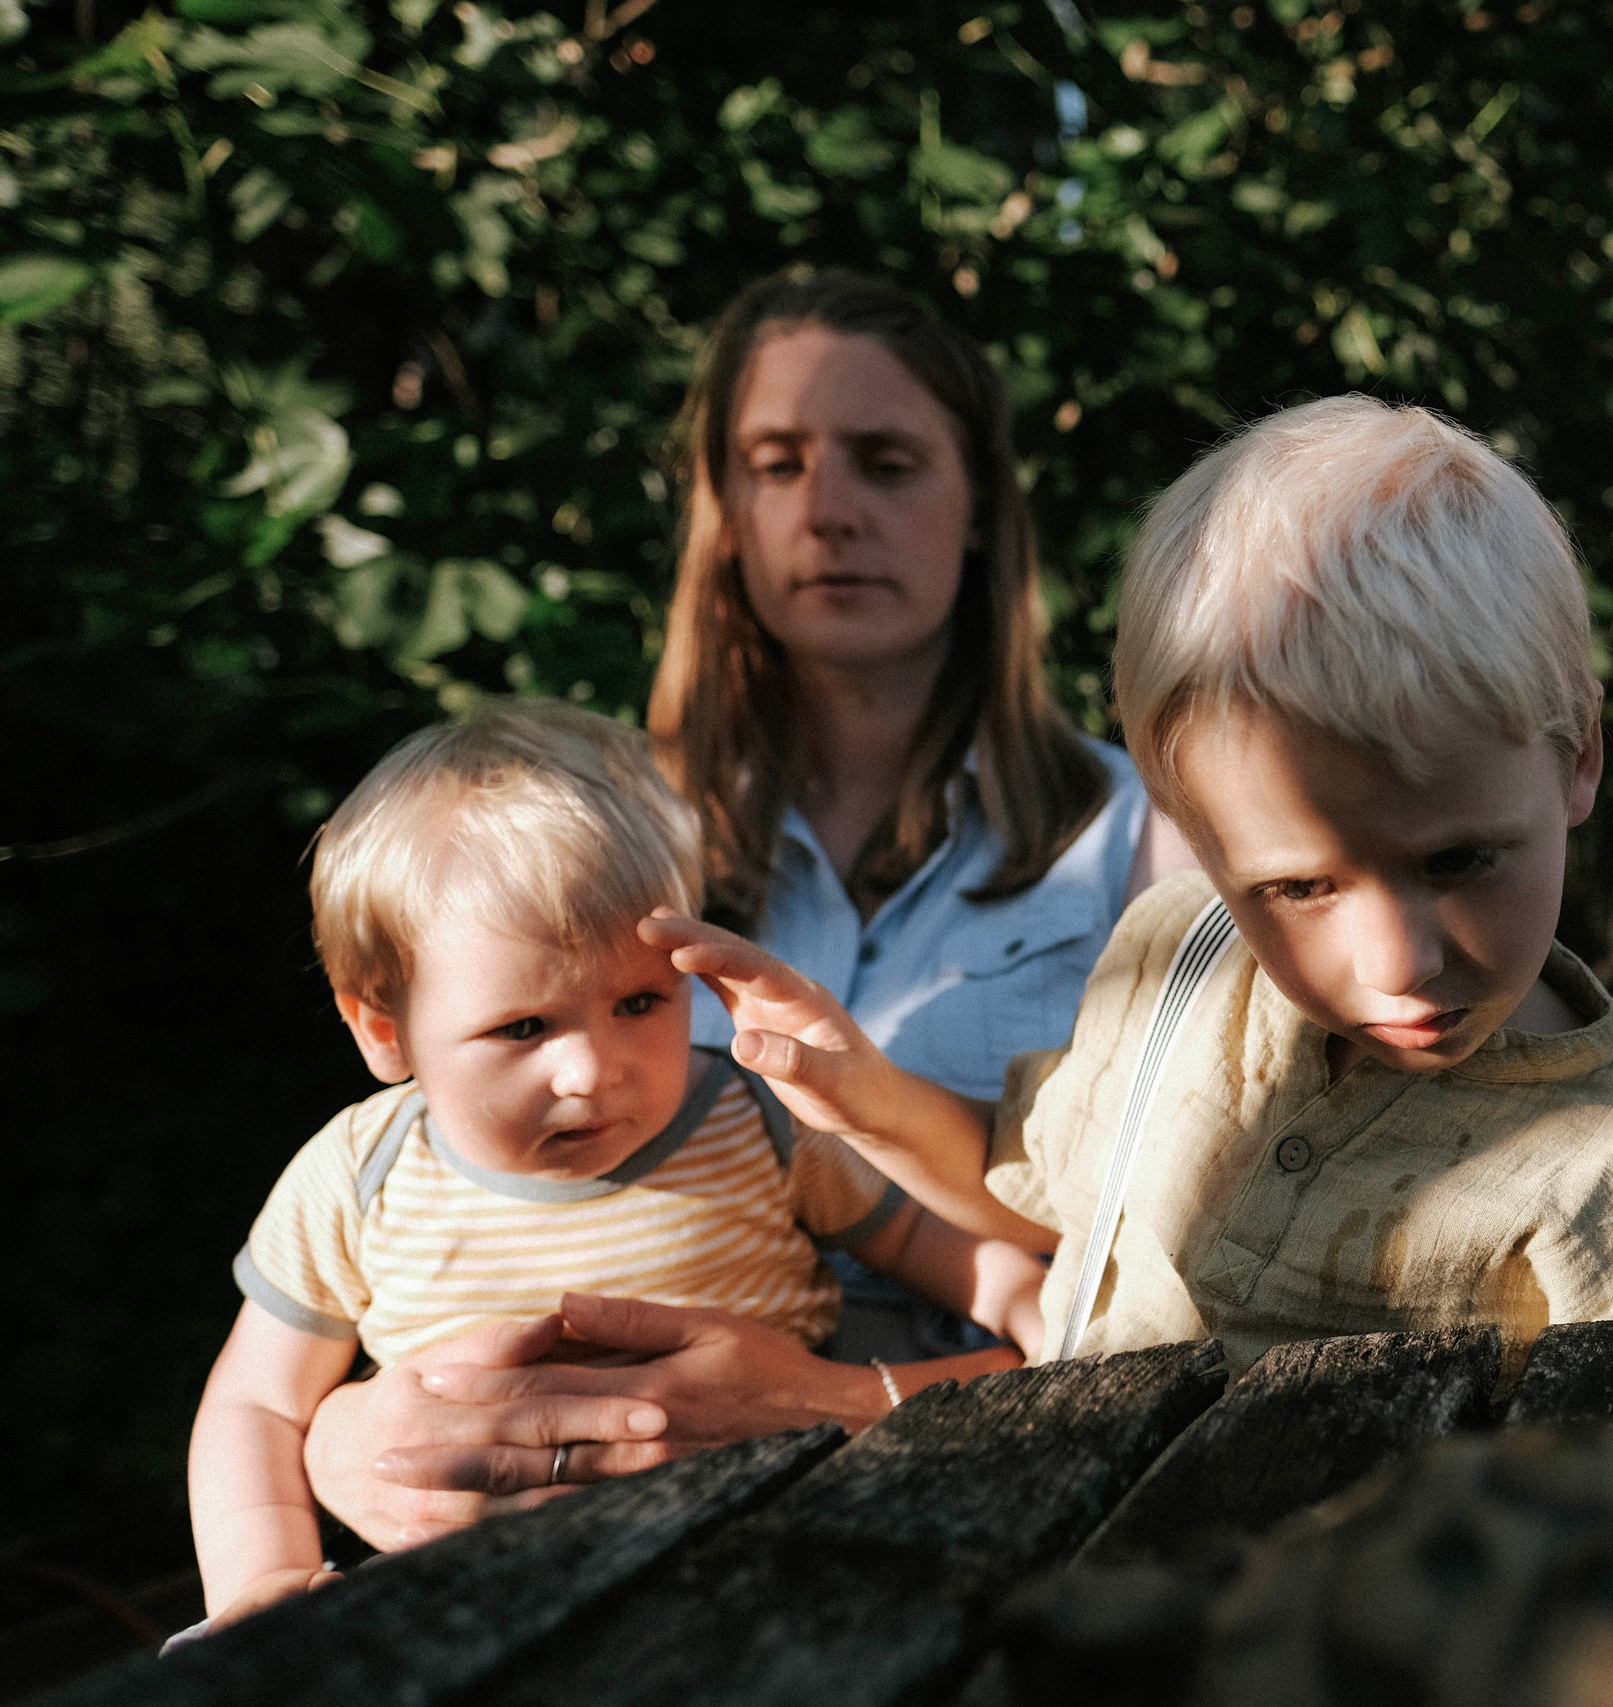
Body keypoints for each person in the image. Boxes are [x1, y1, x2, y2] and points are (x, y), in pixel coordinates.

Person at [294, 272, 1186, 1552]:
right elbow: (411, 1178)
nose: (828, 512)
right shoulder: (587, 842)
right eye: (777, 465)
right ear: (722, 511)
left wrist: (838, 1405)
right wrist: (331, 1435)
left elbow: (1202, 1268)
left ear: (982, 506)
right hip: (574, 1539)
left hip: (1030, 1500)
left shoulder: (1141, 840)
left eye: (885, 462)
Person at [658, 396, 1613, 1372]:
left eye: (1457, 861)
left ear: (1578, 754)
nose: (1398, 963)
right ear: (1187, 822)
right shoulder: (1179, 958)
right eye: (1298, 890)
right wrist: (863, 1090)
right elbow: (1036, 1181)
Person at [189, 701, 1042, 1629]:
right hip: (476, 1610)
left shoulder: (753, 1119)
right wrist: (260, 1580)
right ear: (383, 1029)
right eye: (523, 1027)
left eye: (640, 1002)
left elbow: (922, 1230)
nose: (593, 1070)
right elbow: (258, 1405)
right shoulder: (359, 1176)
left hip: (788, 1559)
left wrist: (1023, 1300)